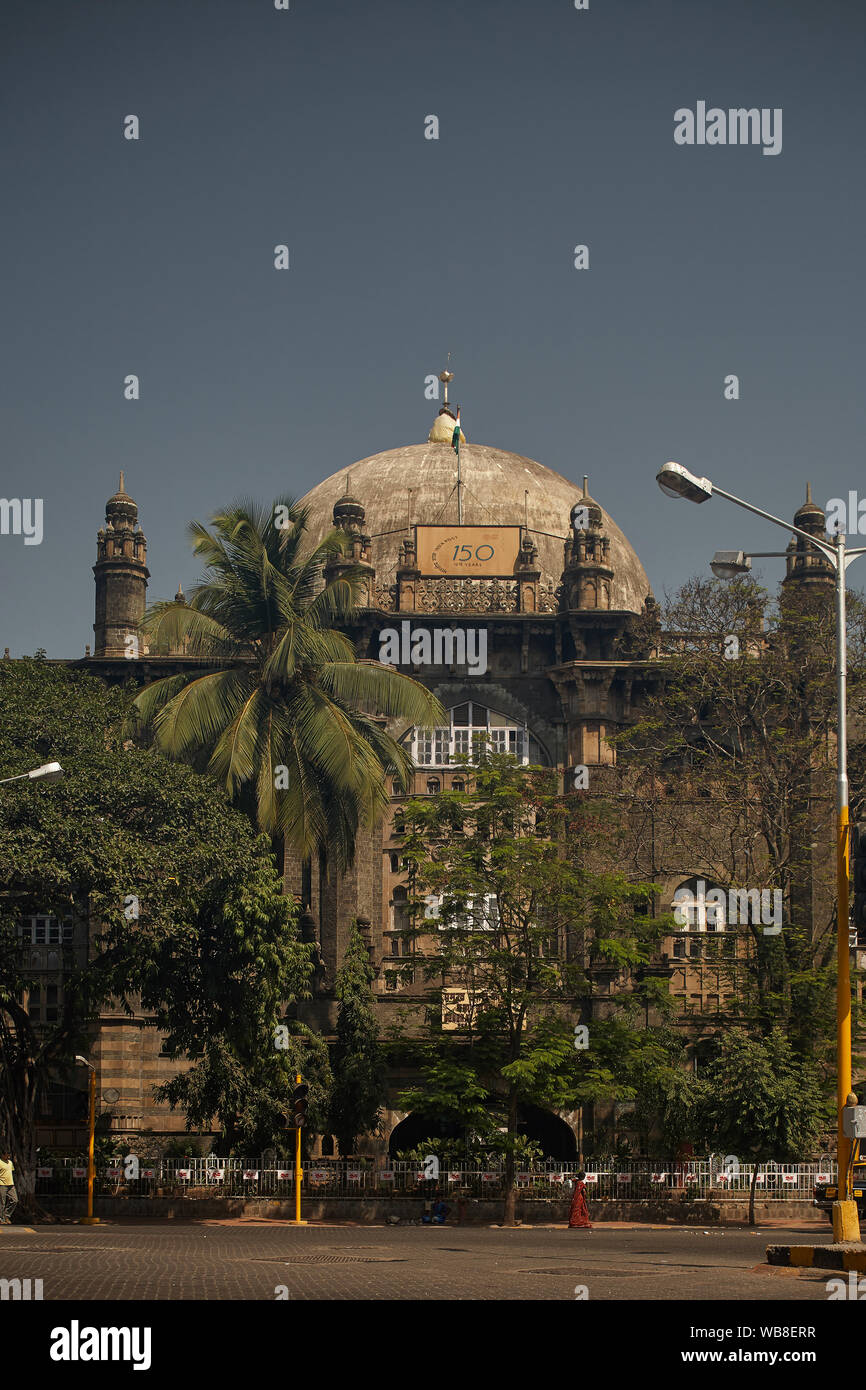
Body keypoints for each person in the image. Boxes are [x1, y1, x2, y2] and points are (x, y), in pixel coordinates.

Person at [0, 1148, 17, 1225]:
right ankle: (1, 1219)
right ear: (3, 1155)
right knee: (2, 1202)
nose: (8, 1157)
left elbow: (12, 1172)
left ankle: (6, 1215)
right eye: (7, 1155)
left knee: (15, 1200)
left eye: (9, 1155)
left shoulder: (10, 1162)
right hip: (2, 1184)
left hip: (10, 1184)